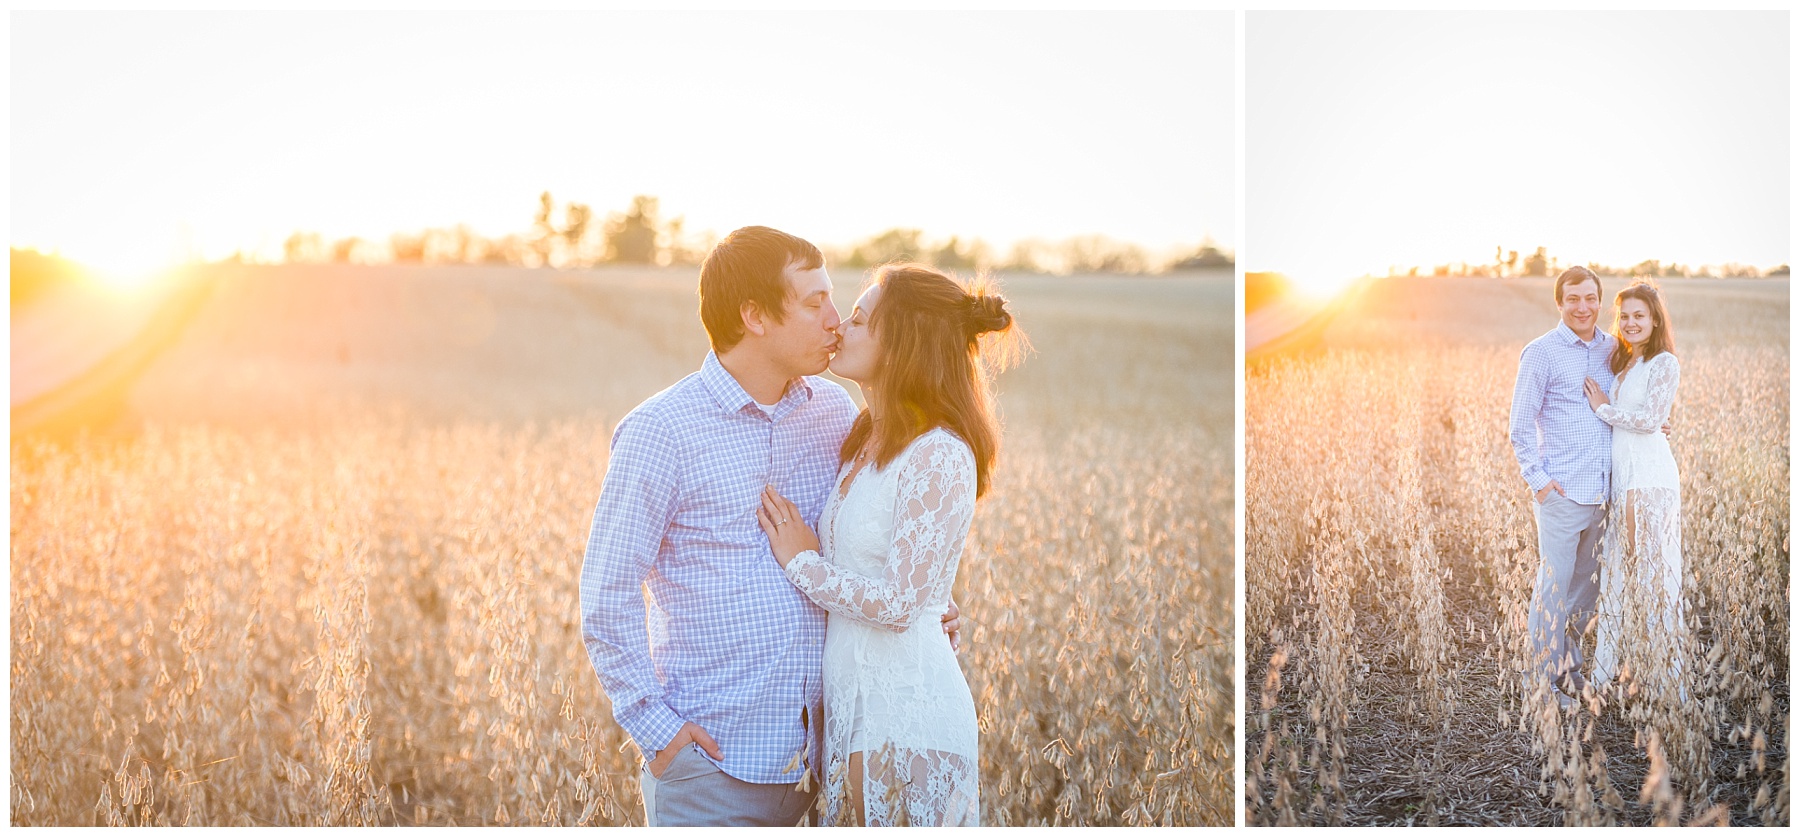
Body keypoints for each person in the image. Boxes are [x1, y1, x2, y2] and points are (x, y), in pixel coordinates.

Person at [579, 228, 959, 827]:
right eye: (814, 303)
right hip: (712, 771)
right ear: (754, 315)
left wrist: (925, 595)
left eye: (834, 300)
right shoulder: (661, 433)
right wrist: (658, 731)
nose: (836, 320)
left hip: (823, 770)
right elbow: (607, 592)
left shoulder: (837, 416)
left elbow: (871, 526)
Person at [757, 263, 1026, 826]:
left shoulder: (940, 451)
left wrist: (803, 563)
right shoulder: (860, 442)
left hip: (908, 713)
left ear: (904, 341)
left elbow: (904, 604)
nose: (840, 327)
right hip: (852, 711)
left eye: (858, 319)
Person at [1508, 266, 1617, 708]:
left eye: (1590, 298)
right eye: (1573, 298)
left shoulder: (1614, 349)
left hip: (1604, 495)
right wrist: (1540, 484)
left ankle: (1568, 672)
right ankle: (1543, 685)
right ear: (1559, 302)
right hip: (1562, 494)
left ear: (1599, 300)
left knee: (1584, 596)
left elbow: (1622, 406)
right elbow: (1519, 427)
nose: (1583, 307)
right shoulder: (1541, 353)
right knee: (1552, 592)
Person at [1582, 281, 1685, 702]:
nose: (1630, 323)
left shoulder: (1664, 363)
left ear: (1655, 319)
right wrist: (1623, 412)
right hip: (1624, 476)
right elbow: (1642, 418)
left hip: (1650, 477)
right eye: (1624, 316)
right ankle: (1615, 673)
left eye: (1639, 315)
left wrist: (1603, 408)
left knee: (1653, 577)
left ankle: (1664, 680)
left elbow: (1649, 419)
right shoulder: (1626, 365)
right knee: (1622, 573)